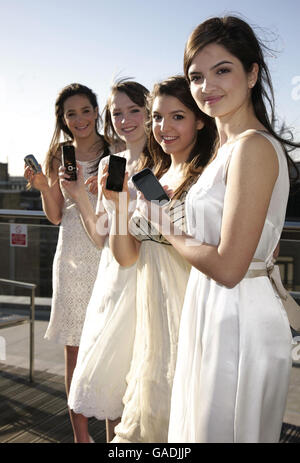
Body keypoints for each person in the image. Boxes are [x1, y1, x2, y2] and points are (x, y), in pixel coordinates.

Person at [137, 17, 300, 443]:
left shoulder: (253, 148)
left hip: (239, 314)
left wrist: (163, 224)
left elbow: (229, 267)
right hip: (215, 305)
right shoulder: (226, 150)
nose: (206, 86)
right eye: (196, 76)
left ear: (252, 73)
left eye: (222, 70)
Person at [101, 75, 216, 443]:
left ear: (200, 119)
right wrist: (118, 205)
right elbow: (127, 257)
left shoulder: (209, 182)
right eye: (156, 118)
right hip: (152, 328)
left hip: (192, 322)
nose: (163, 128)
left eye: (177, 117)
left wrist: (163, 217)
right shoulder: (155, 176)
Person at [65, 80, 152, 443]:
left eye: (134, 110)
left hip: (147, 280)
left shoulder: (162, 162)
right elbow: (101, 234)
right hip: (113, 282)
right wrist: (79, 197)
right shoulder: (111, 163)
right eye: (117, 113)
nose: (125, 119)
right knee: (111, 387)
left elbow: (165, 221)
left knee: (144, 390)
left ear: (150, 113)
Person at [24, 83, 110, 442]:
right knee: (74, 351)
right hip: (73, 258)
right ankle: (80, 436)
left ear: (96, 112)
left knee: (109, 346)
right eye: (71, 113)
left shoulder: (114, 147)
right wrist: (45, 188)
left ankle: (114, 435)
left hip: (108, 251)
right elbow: (56, 216)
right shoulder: (59, 155)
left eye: (85, 110)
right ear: (63, 118)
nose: (79, 119)